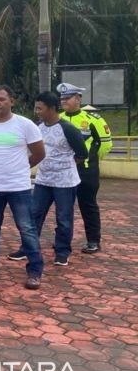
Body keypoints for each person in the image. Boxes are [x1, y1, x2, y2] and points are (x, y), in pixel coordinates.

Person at [0, 85, 45, 290]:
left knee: (26, 228)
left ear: (12, 101)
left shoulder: (25, 125)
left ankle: (35, 271)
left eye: (1, 99)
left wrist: (20, 168)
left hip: (18, 187)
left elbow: (39, 153)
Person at [10, 92, 87, 266]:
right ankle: (27, 247)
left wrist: (65, 166)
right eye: (36, 107)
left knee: (64, 218)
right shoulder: (38, 127)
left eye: (40, 108)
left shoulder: (68, 129)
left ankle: (62, 251)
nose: (37, 111)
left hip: (65, 182)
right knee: (34, 214)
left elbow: (82, 153)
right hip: (43, 180)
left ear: (52, 108)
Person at [58, 83, 113, 254]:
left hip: (86, 172)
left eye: (67, 98)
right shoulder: (57, 118)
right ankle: (62, 241)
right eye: (62, 99)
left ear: (78, 99)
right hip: (64, 171)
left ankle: (93, 240)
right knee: (63, 207)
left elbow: (105, 145)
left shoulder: (93, 120)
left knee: (88, 206)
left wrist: (91, 160)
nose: (64, 101)